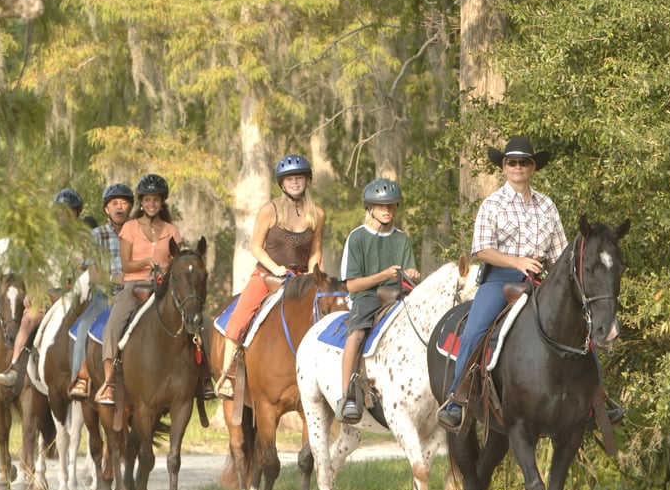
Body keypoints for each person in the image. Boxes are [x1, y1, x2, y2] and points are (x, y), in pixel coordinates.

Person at [436, 136, 567, 430]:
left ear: (533, 167)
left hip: (541, 280)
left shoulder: (547, 205)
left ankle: (596, 399)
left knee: (579, 323)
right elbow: (482, 250)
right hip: (501, 280)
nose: (517, 166)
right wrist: (517, 261)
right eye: (512, 162)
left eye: (524, 162)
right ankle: (457, 399)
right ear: (504, 167)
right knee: (474, 332)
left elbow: (559, 253)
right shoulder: (492, 204)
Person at [215, 154, 325, 399]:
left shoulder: (317, 213)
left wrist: (313, 274)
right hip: (268, 276)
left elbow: (315, 250)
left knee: (328, 313)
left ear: (307, 181)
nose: (295, 183)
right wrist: (274, 268)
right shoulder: (270, 210)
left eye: (299, 178)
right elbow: (256, 247)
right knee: (238, 319)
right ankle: (228, 375)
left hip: (301, 279)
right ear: (282, 184)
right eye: (290, 179)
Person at [336, 177, 420, 423]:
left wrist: (412, 274)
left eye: (391, 206)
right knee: (358, 334)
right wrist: (383, 276)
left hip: (398, 296)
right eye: (381, 206)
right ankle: (347, 395)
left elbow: (408, 276)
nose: (387, 210)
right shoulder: (358, 237)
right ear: (370, 207)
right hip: (366, 296)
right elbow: (351, 284)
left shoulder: (401, 238)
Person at [94, 173, 180, 406]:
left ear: (162, 202)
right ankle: (110, 382)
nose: (151, 204)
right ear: (141, 202)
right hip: (134, 286)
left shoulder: (172, 230)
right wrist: (145, 263)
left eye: (156, 200)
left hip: (163, 287)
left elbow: (176, 261)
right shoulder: (130, 228)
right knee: (112, 327)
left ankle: (201, 379)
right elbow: (125, 264)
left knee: (192, 320)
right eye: (147, 200)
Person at [0, 188, 85, 388]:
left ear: (77, 213)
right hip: (47, 293)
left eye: (69, 212)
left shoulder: (84, 240)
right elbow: (32, 270)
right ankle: (15, 366)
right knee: (28, 319)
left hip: (74, 295)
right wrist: (31, 291)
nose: (64, 216)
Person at [67, 182, 132, 400]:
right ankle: (80, 379)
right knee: (84, 326)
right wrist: (114, 278)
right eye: (115, 203)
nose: (119, 207)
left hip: (135, 292)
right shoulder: (96, 235)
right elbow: (93, 274)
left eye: (124, 203)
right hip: (107, 294)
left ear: (130, 208)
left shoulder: (137, 232)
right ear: (107, 209)